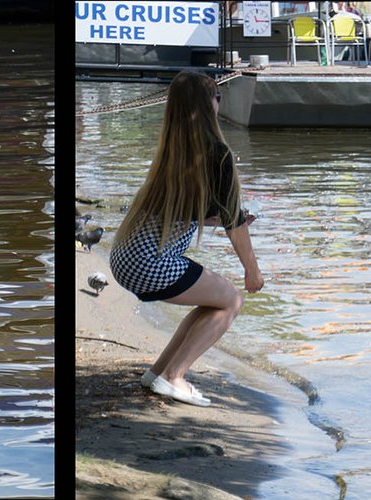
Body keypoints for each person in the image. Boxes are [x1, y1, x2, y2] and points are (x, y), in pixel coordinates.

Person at [108, 71, 263, 407]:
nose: (219, 103)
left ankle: (159, 372)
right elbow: (235, 223)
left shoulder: (173, 151)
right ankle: (174, 376)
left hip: (125, 257)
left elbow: (185, 212)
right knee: (232, 300)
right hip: (151, 263)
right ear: (207, 104)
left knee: (215, 300)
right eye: (217, 97)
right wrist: (253, 272)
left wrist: (215, 218)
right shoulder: (217, 152)